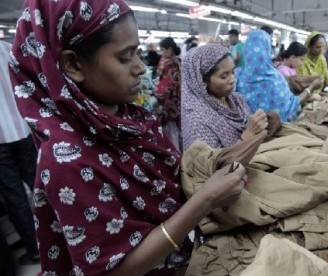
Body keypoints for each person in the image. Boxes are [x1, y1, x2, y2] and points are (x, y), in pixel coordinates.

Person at [10, 1, 246, 275]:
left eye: (137, 53)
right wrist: (203, 202)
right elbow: (116, 270)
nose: (141, 68)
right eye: (125, 58)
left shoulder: (132, 121)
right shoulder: (66, 160)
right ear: (73, 64)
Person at [181, 43, 269, 150]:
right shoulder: (197, 121)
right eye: (224, 76)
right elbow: (215, 164)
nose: (232, 80)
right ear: (202, 81)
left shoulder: (236, 100)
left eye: (233, 72)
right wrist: (249, 134)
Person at [0, 40, 39, 265]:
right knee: (39, 187)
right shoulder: (9, 48)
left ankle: (35, 250)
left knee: (15, 197)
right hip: (22, 131)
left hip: (1, 144)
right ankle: (61, 233)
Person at [236, 30, 316, 122]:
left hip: (248, 129)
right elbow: (291, 105)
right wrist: (310, 88)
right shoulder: (275, 78)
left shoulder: (237, 75)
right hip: (276, 130)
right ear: (267, 50)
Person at [155, 37, 182, 151]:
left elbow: (165, 86)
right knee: (180, 131)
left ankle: (174, 157)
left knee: (171, 133)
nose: (162, 53)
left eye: (163, 50)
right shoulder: (180, 62)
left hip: (170, 103)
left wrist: (158, 97)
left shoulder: (169, 65)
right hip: (180, 101)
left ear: (169, 49)